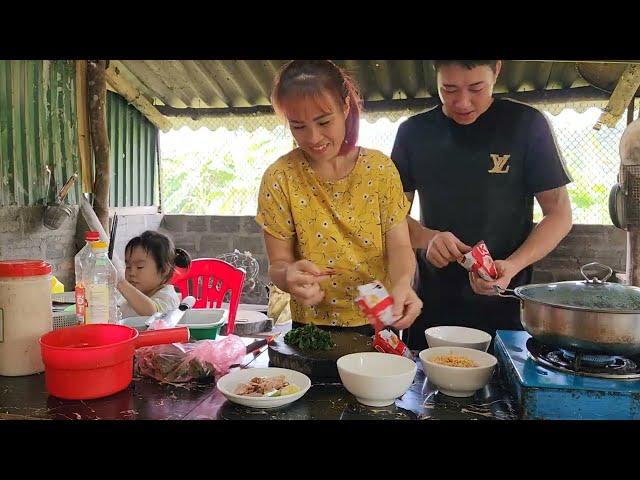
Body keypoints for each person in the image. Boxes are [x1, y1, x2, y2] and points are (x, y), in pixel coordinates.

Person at [391, 60, 573, 350]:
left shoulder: (526, 125)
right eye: (448, 89)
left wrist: (512, 266)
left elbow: (559, 213)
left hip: (506, 306)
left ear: (497, 70)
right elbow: (393, 218)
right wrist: (429, 239)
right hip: (433, 304)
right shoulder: (414, 133)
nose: (462, 102)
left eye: (477, 88)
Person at [256, 60, 422, 334]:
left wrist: (403, 284)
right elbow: (278, 264)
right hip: (311, 326)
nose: (313, 137)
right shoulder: (280, 177)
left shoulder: (379, 169)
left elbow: (400, 247)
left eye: (324, 121)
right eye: (298, 126)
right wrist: (288, 276)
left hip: (379, 320)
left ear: (345, 107)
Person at [116, 230, 192, 318]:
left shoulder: (168, 297)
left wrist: (121, 282)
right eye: (128, 266)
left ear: (163, 270)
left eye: (140, 267)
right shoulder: (130, 296)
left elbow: (152, 313)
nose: (131, 273)